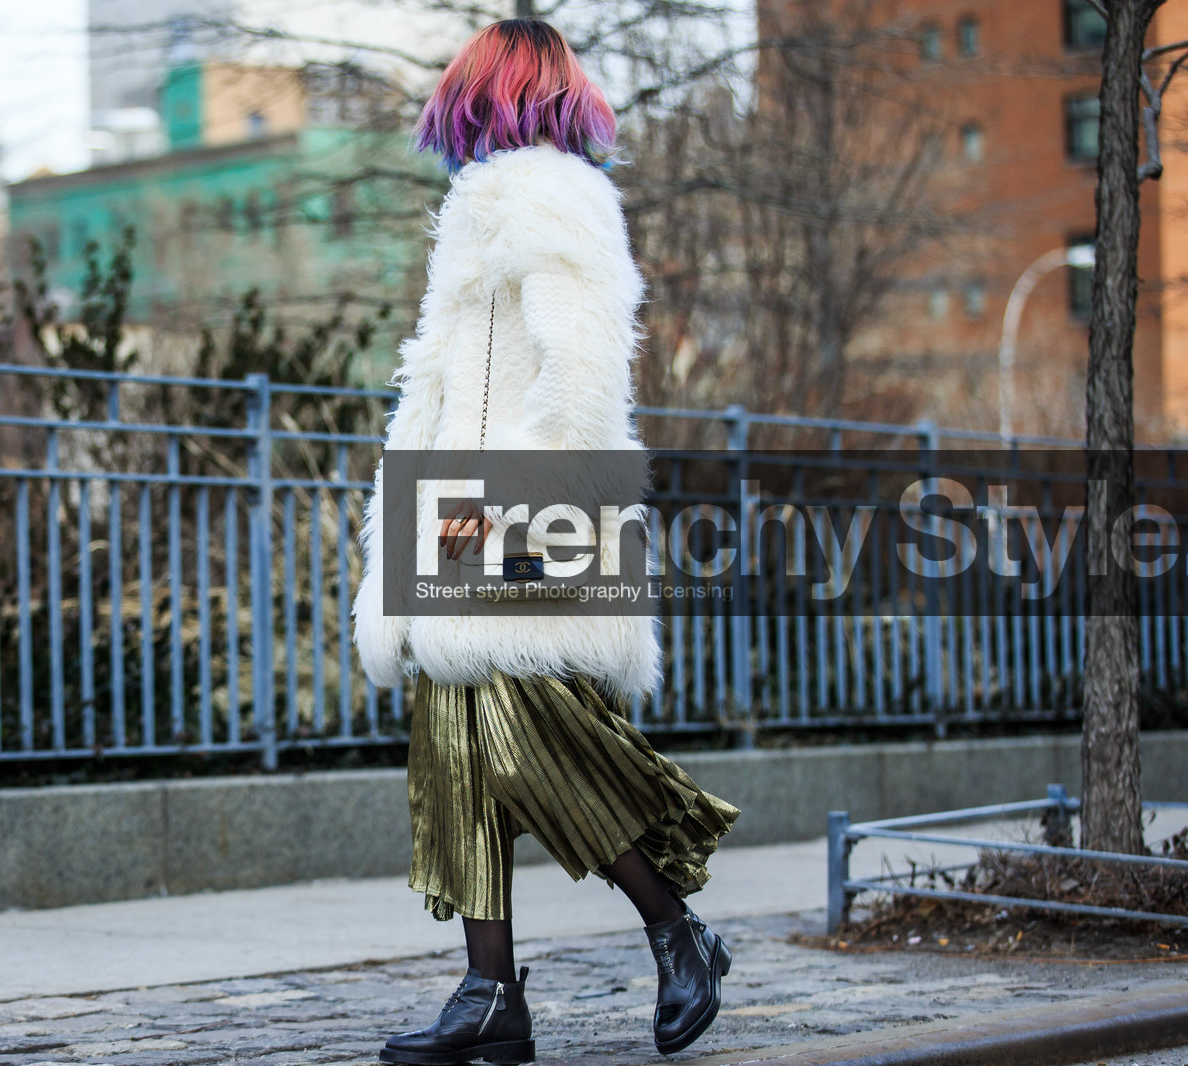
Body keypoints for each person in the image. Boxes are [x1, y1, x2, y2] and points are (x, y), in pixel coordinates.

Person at [352, 17, 741, 1066]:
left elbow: (577, 389)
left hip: (529, 511)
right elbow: (437, 393)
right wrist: (414, 529)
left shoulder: (545, 198)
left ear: (489, 91)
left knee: (524, 732)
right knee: (456, 749)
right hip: (465, 512)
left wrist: (490, 512)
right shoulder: (483, 212)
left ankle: (675, 927)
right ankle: (490, 993)